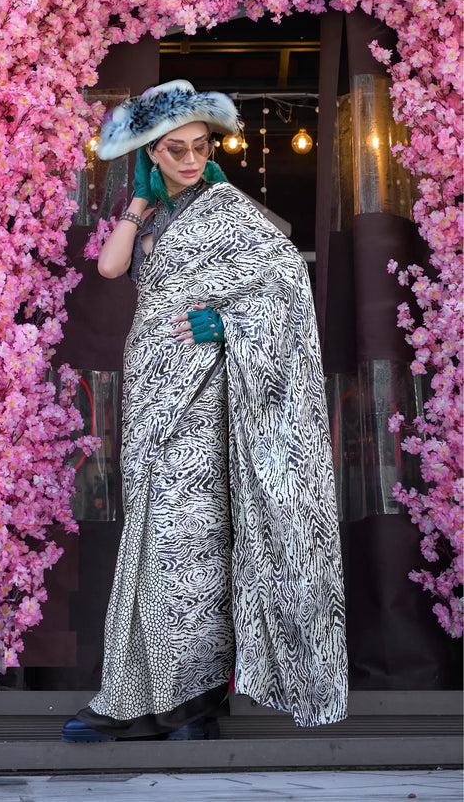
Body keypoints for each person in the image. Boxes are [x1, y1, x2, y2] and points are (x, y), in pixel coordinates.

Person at [61, 81, 348, 743]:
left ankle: (191, 703)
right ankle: (151, 695)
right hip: (151, 389)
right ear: (151, 154)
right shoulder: (151, 213)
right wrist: (139, 200)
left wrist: (229, 324)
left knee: (192, 538)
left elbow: (285, 287)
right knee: (152, 538)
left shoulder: (229, 210)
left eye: (200, 146)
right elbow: (109, 268)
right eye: (175, 150)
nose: (192, 159)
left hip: (209, 394)